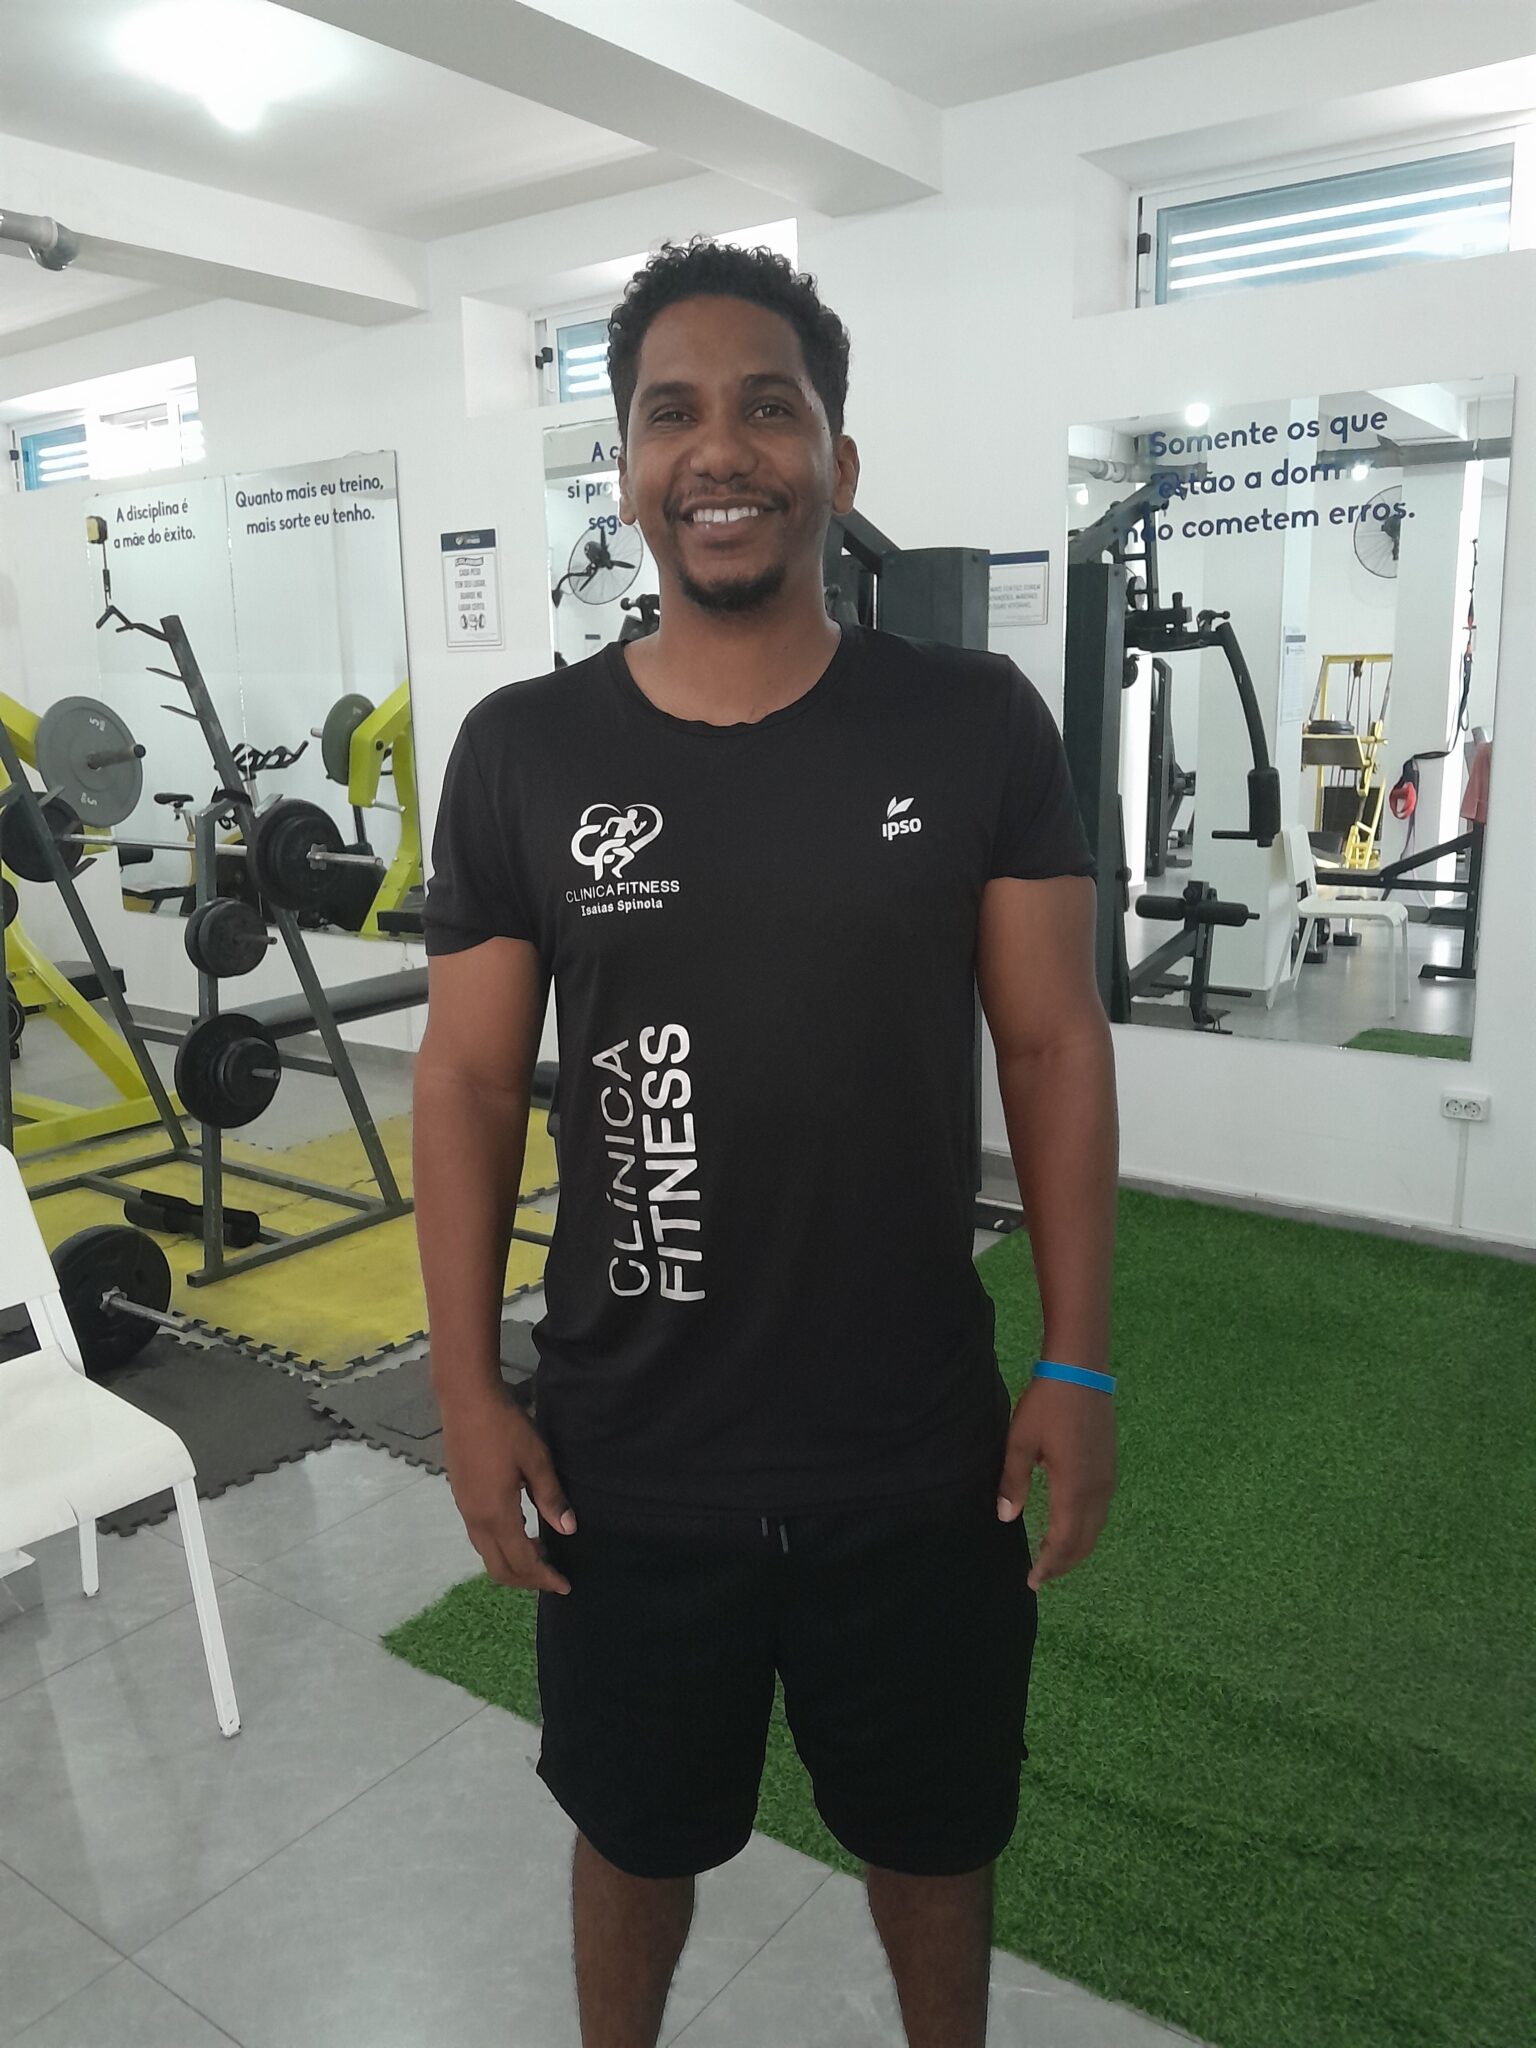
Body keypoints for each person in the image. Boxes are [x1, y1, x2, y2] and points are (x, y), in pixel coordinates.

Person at [415, 237, 1118, 2048]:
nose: (719, 451)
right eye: (672, 415)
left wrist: (1075, 1357)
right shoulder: (522, 751)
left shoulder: (972, 724)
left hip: (918, 1451)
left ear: (837, 460)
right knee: (633, 1837)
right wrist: (467, 1391)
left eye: (767, 410)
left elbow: (1051, 1042)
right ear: (627, 471)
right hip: (631, 1456)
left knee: (936, 1841)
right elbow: (470, 1085)